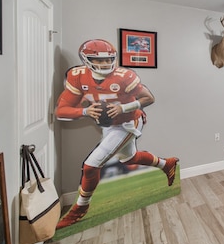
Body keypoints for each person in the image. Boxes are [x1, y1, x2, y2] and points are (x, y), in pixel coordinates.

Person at [54, 39, 178, 229]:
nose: (105, 64)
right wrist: (86, 112)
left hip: (128, 122)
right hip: (110, 125)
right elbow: (62, 110)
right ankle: (165, 164)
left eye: (108, 59)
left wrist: (123, 108)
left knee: (90, 165)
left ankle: (80, 208)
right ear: (86, 60)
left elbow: (148, 98)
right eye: (100, 60)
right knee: (129, 159)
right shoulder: (77, 76)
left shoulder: (123, 76)